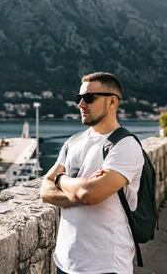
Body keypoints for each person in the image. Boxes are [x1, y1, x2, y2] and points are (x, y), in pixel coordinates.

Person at [41, 72, 144, 274]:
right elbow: (45, 191)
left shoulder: (125, 146)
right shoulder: (73, 141)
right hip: (65, 260)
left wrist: (60, 179)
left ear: (112, 102)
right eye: (78, 98)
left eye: (89, 98)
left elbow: (90, 194)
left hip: (105, 265)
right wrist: (80, 190)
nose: (81, 104)